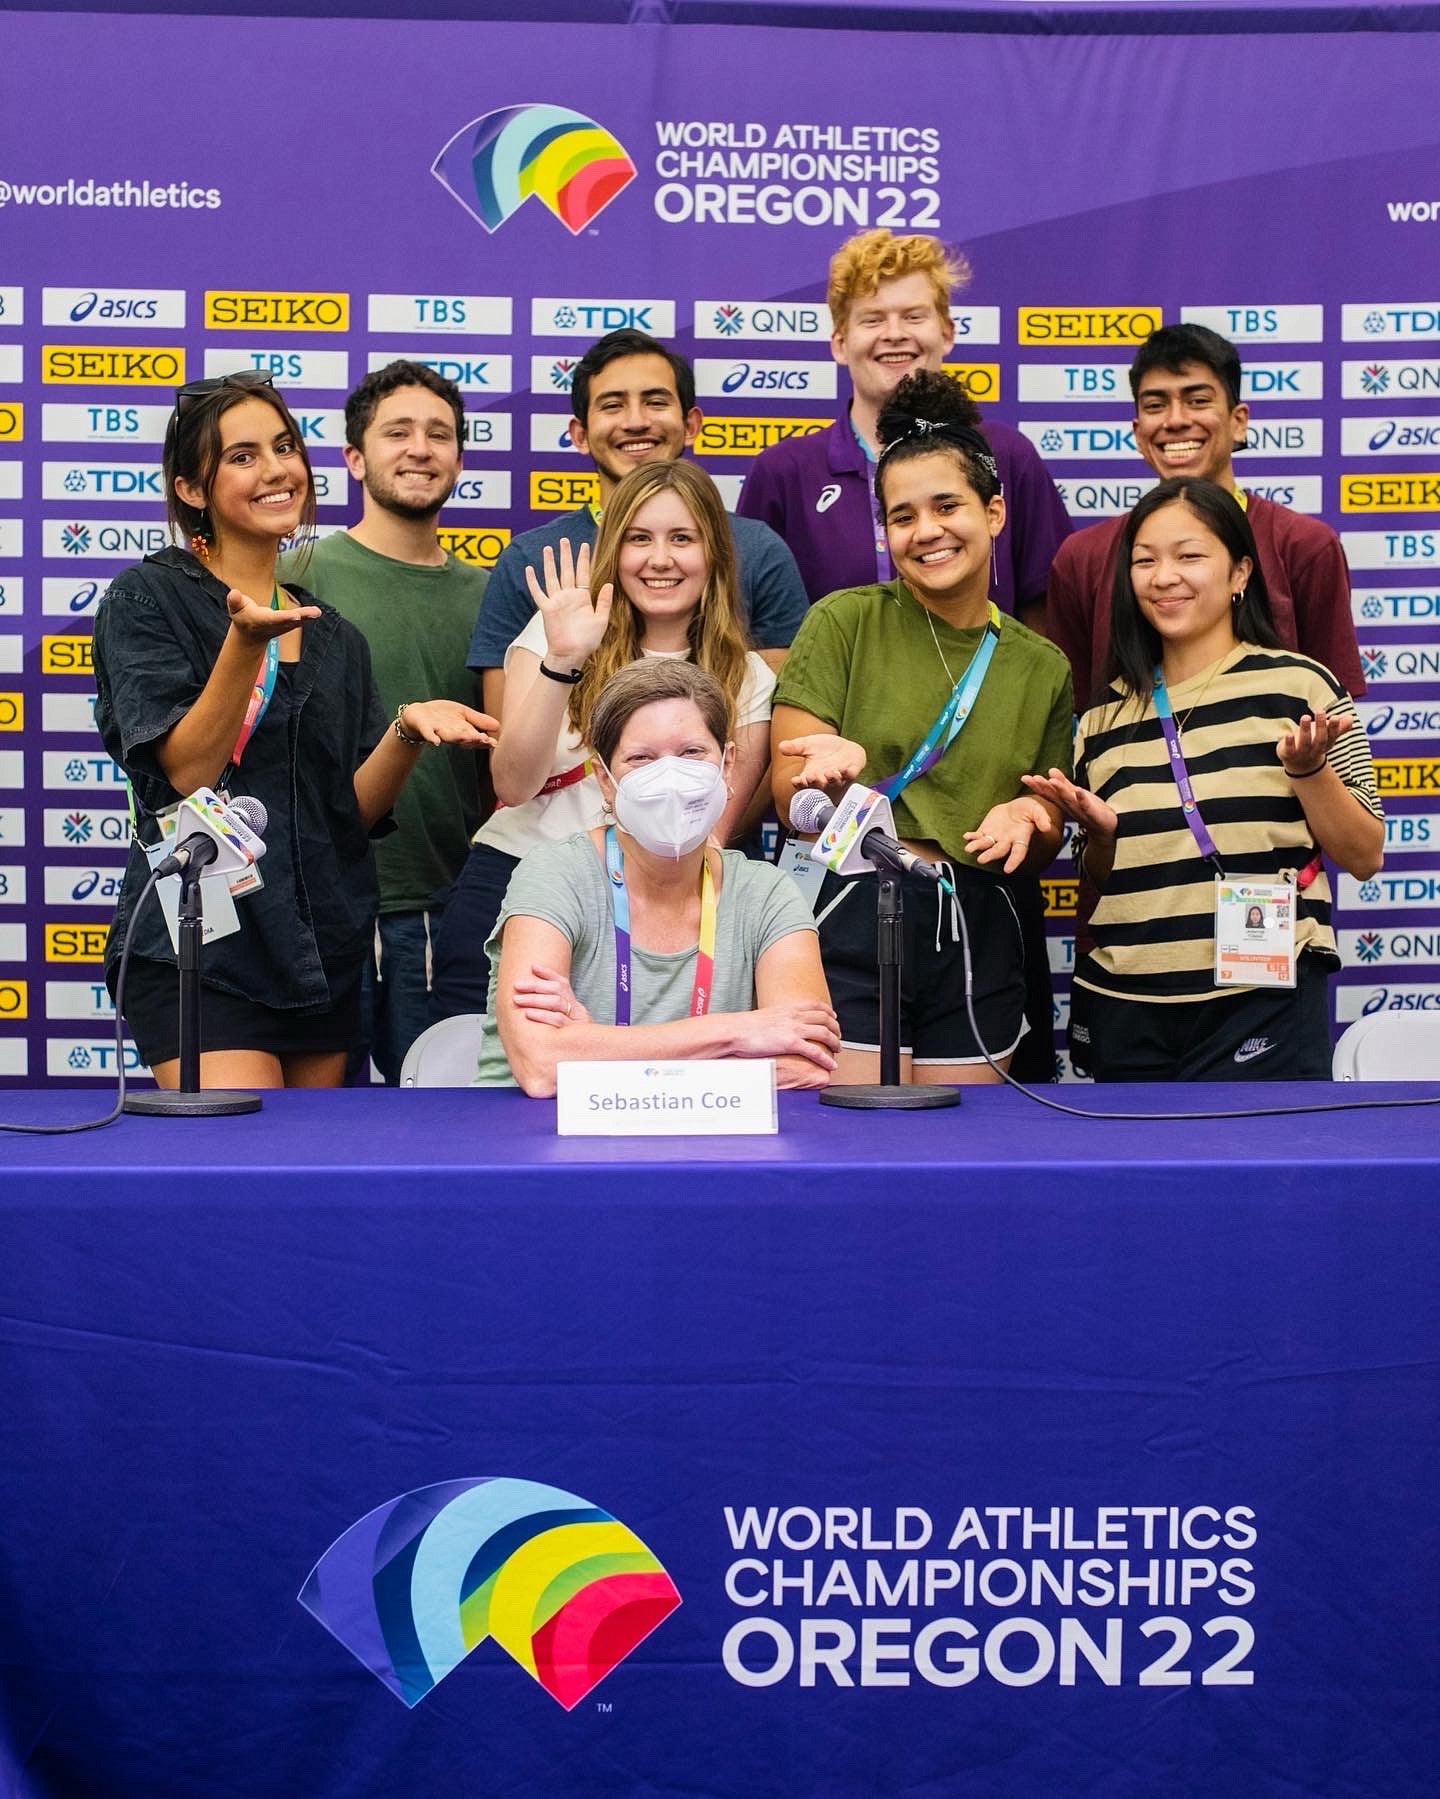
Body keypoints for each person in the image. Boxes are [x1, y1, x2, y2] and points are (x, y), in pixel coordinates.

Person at [92, 370, 497, 1091]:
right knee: (241, 1178)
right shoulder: (148, 597)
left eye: (284, 447)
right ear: (191, 490)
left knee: (312, 1185)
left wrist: (405, 729)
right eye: (243, 456)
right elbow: (187, 772)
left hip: (320, 954)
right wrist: (244, 642)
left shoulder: (334, 634)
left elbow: (352, 813)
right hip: (203, 951)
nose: (278, 469)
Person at [738, 229, 1072, 1082]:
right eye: (903, 516)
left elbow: (1043, 822)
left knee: (969, 1172)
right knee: (835, 1156)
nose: (929, 531)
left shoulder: (1041, 665)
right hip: (850, 906)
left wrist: (1034, 823)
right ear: (882, 529)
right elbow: (793, 801)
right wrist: (825, 778)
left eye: (949, 507)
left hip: (980, 926)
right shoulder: (842, 621)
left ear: (996, 513)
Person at [1024, 478, 1383, 1083]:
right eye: (1145, 561)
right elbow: (1100, 879)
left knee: (1263, 1175)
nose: (1165, 576)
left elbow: (1365, 853)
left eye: (1189, 555)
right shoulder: (1099, 721)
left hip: (1260, 1003)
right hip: (1124, 1005)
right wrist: (1103, 839)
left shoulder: (1301, 687)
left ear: (1240, 572)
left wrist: (1309, 770)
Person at [431, 460, 777, 1019]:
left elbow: (712, 833)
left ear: (714, 552)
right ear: (614, 550)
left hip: (657, 909)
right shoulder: (555, 631)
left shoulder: (749, 676)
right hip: (515, 878)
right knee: (483, 1086)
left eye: (682, 538)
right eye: (639, 538)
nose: (660, 559)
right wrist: (564, 660)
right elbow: (513, 785)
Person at [475, 660, 837, 1094]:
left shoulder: (766, 892)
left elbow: (805, 1063)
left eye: (691, 753)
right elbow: (542, 1066)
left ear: (727, 764)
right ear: (605, 782)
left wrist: (594, 1048)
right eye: (641, 758)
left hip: (709, 1145)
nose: (670, 778)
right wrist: (738, 1032)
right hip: (540, 1141)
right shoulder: (555, 874)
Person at [277, 360, 489, 1083]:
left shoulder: (491, 597)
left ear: (461, 456)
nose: (420, 448)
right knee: (312, 1136)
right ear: (354, 457)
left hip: (439, 904)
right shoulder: (298, 575)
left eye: (439, 434)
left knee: (435, 1124)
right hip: (313, 909)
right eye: (397, 432)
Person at [736, 229, 1072, 625]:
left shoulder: (1007, 456)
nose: (894, 334)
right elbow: (750, 623)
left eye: (914, 316)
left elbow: (1051, 609)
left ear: (946, 333)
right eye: (873, 319)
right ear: (840, 343)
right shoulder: (782, 473)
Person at [467, 328, 808, 711]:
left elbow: (776, 725)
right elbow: (503, 737)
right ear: (579, 434)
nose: (635, 421)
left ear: (692, 424)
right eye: (612, 405)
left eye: (656, 402)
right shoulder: (530, 558)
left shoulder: (759, 549)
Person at [1045, 322, 1364, 707]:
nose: (1175, 420)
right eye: (1155, 405)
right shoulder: (1082, 557)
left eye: (1197, 400)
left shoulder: (1305, 545)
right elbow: (1076, 714)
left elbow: (1334, 715)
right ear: (1137, 430)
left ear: (1238, 421)